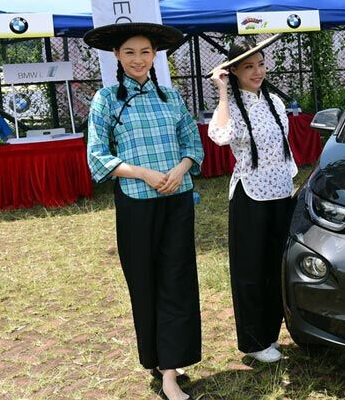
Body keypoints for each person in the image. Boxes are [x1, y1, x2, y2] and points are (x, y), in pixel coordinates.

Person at [85, 23, 203, 400]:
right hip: (136, 202)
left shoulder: (171, 97)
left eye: (146, 52)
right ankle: (155, 358)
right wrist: (144, 173)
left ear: (155, 56)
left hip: (178, 200)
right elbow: (97, 156)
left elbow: (193, 144)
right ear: (118, 56)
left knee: (177, 279)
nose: (139, 59)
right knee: (144, 282)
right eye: (130, 52)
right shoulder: (106, 100)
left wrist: (180, 169)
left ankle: (170, 370)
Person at [208, 42, 297, 363]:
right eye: (248, 67)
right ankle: (254, 341)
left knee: (277, 267)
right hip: (251, 196)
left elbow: (283, 148)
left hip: (281, 194)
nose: (257, 71)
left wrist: (291, 182)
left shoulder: (274, 101)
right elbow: (219, 136)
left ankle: (272, 335)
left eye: (260, 64)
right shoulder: (230, 104)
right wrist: (221, 92)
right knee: (251, 271)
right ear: (233, 71)